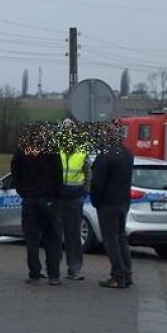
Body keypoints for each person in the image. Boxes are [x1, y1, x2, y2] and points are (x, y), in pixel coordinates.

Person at [11, 123, 63, 285]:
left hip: (29, 200)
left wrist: (23, 192)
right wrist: (56, 197)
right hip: (48, 200)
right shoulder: (51, 151)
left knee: (32, 239)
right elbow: (58, 177)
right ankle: (53, 275)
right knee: (52, 238)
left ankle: (34, 274)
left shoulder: (22, 152)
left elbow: (15, 174)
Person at [91, 123, 135, 289]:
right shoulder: (127, 154)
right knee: (121, 237)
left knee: (111, 240)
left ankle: (118, 276)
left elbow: (97, 183)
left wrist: (96, 200)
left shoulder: (105, 157)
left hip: (108, 203)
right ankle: (127, 273)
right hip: (124, 201)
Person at [57, 118, 90, 280]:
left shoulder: (82, 148)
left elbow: (88, 172)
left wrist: (85, 190)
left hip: (75, 196)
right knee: (55, 233)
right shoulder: (56, 147)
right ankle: (54, 268)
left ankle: (74, 269)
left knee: (73, 234)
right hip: (58, 196)